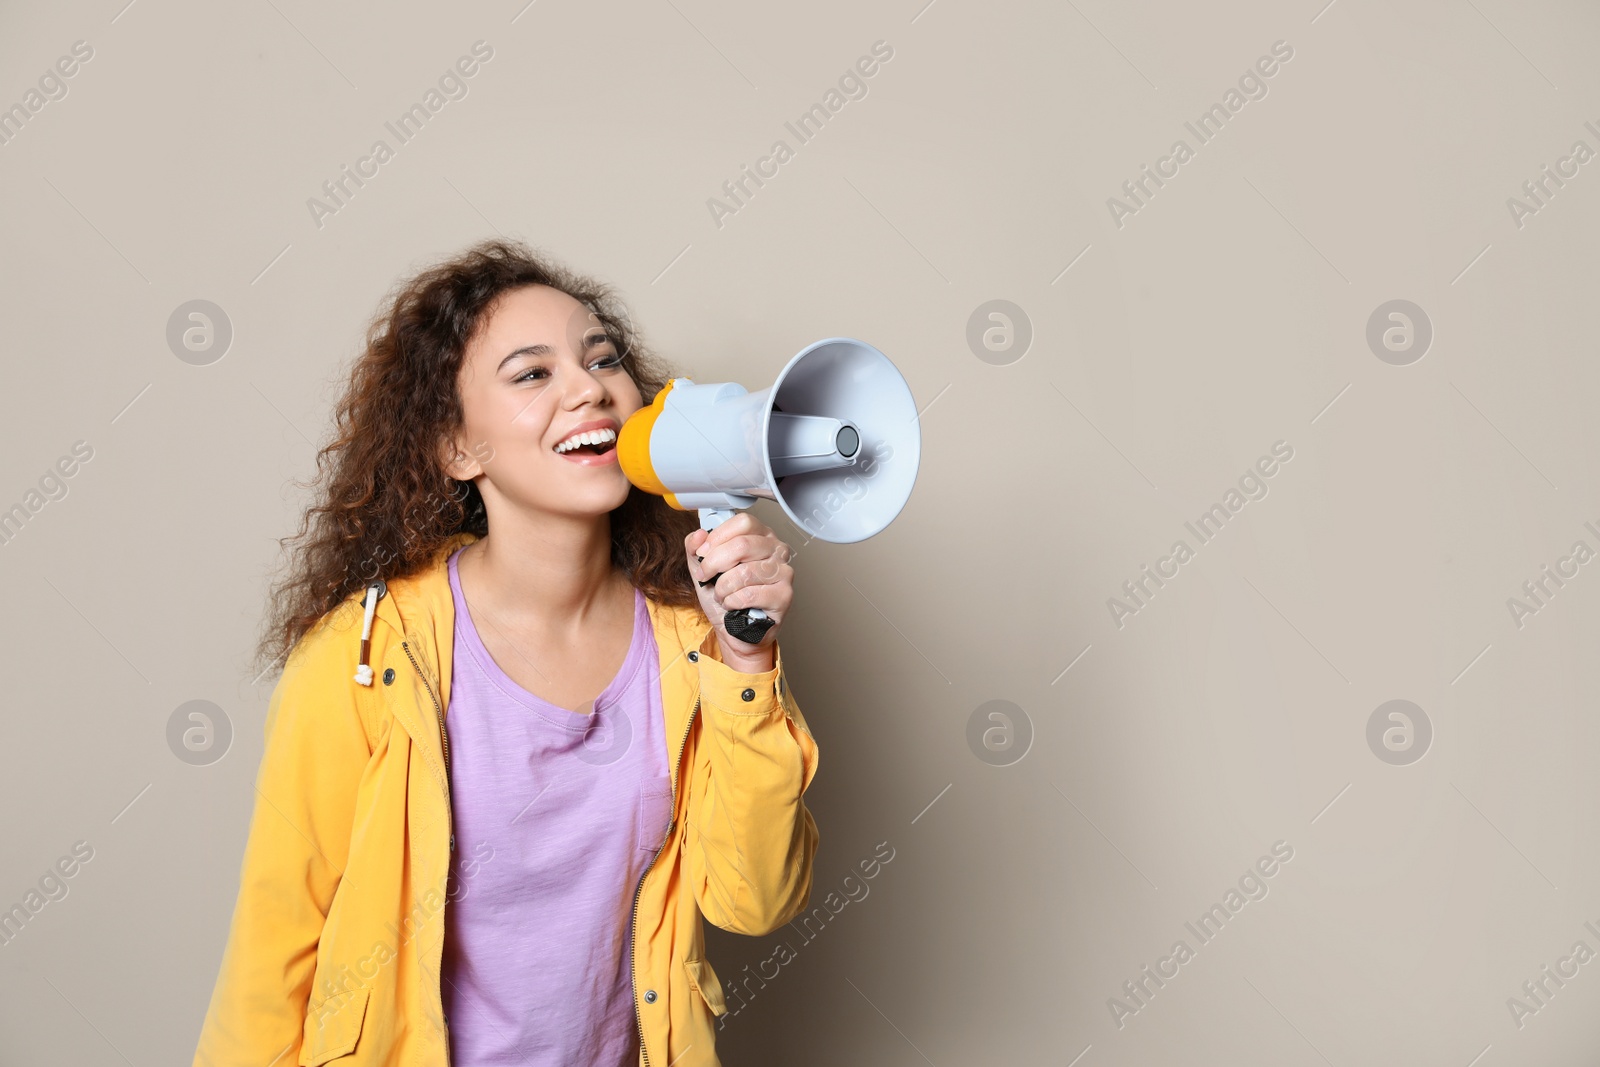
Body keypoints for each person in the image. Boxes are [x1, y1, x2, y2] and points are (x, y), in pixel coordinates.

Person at [192, 239, 821, 1067]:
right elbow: (274, 951)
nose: (589, 388)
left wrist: (747, 664)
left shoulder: (688, 645)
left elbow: (753, 898)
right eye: (532, 374)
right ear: (458, 448)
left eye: (602, 360)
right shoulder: (372, 651)